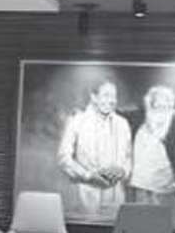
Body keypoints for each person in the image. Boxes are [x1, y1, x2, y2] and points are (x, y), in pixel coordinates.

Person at [56, 80, 132, 219]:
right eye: (106, 95)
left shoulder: (123, 123)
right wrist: (89, 176)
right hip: (85, 193)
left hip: (115, 196)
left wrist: (123, 171)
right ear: (94, 97)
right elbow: (64, 158)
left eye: (113, 96)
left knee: (115, 230)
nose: (111, 101)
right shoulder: (77, 121)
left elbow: (128, 157)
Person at [127, 85, 175, 205]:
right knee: (143, 210)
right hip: (142, 183)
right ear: (149, 107)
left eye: (166, 107)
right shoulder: (140, 128)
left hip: (166, 185)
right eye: (157, 107)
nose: (161, 112)